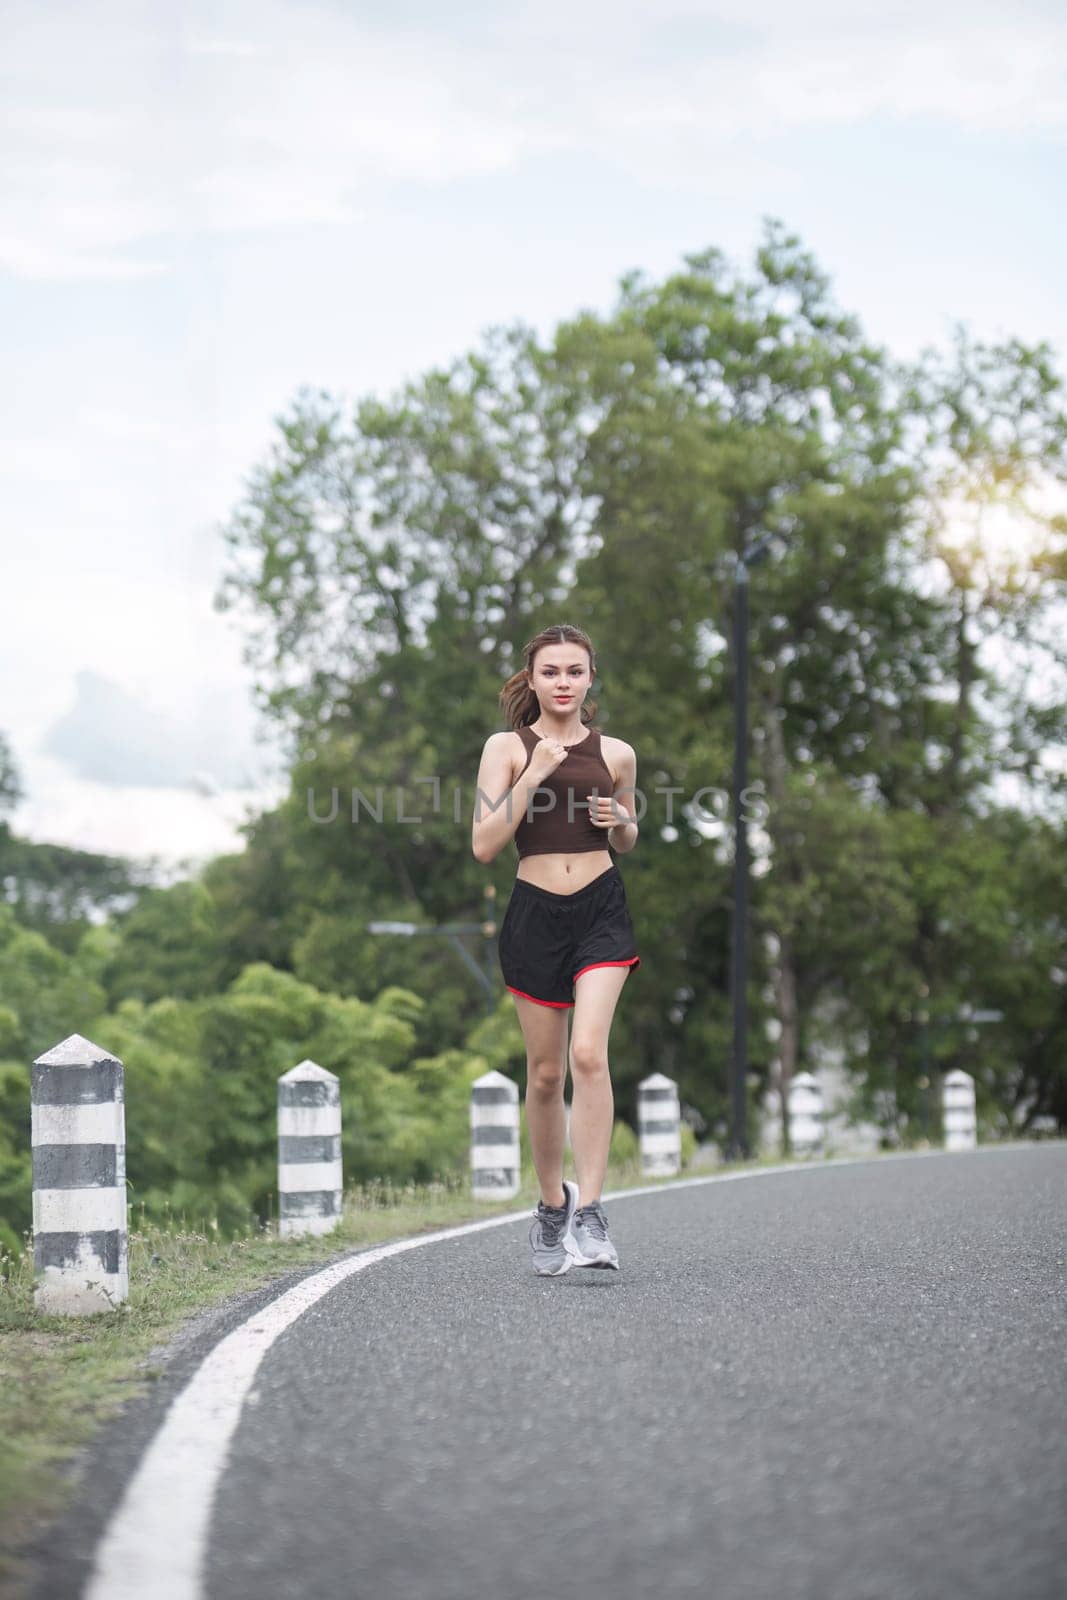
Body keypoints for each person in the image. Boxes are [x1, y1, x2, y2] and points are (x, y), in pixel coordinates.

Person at [471, 623, 641, 1275]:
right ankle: (551, 1208)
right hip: (534, 915)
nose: (563, 682)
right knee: (545, 1075)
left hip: (601, 909)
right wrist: (535, 771)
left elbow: (625, 838)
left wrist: (621, 822)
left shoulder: (617, 754)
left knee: (588, 1053)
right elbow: (484, 844)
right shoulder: (506, 748)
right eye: (551, 672)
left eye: (574, 671)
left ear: (590, 676)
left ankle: (592, 1212)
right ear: (533, 680)